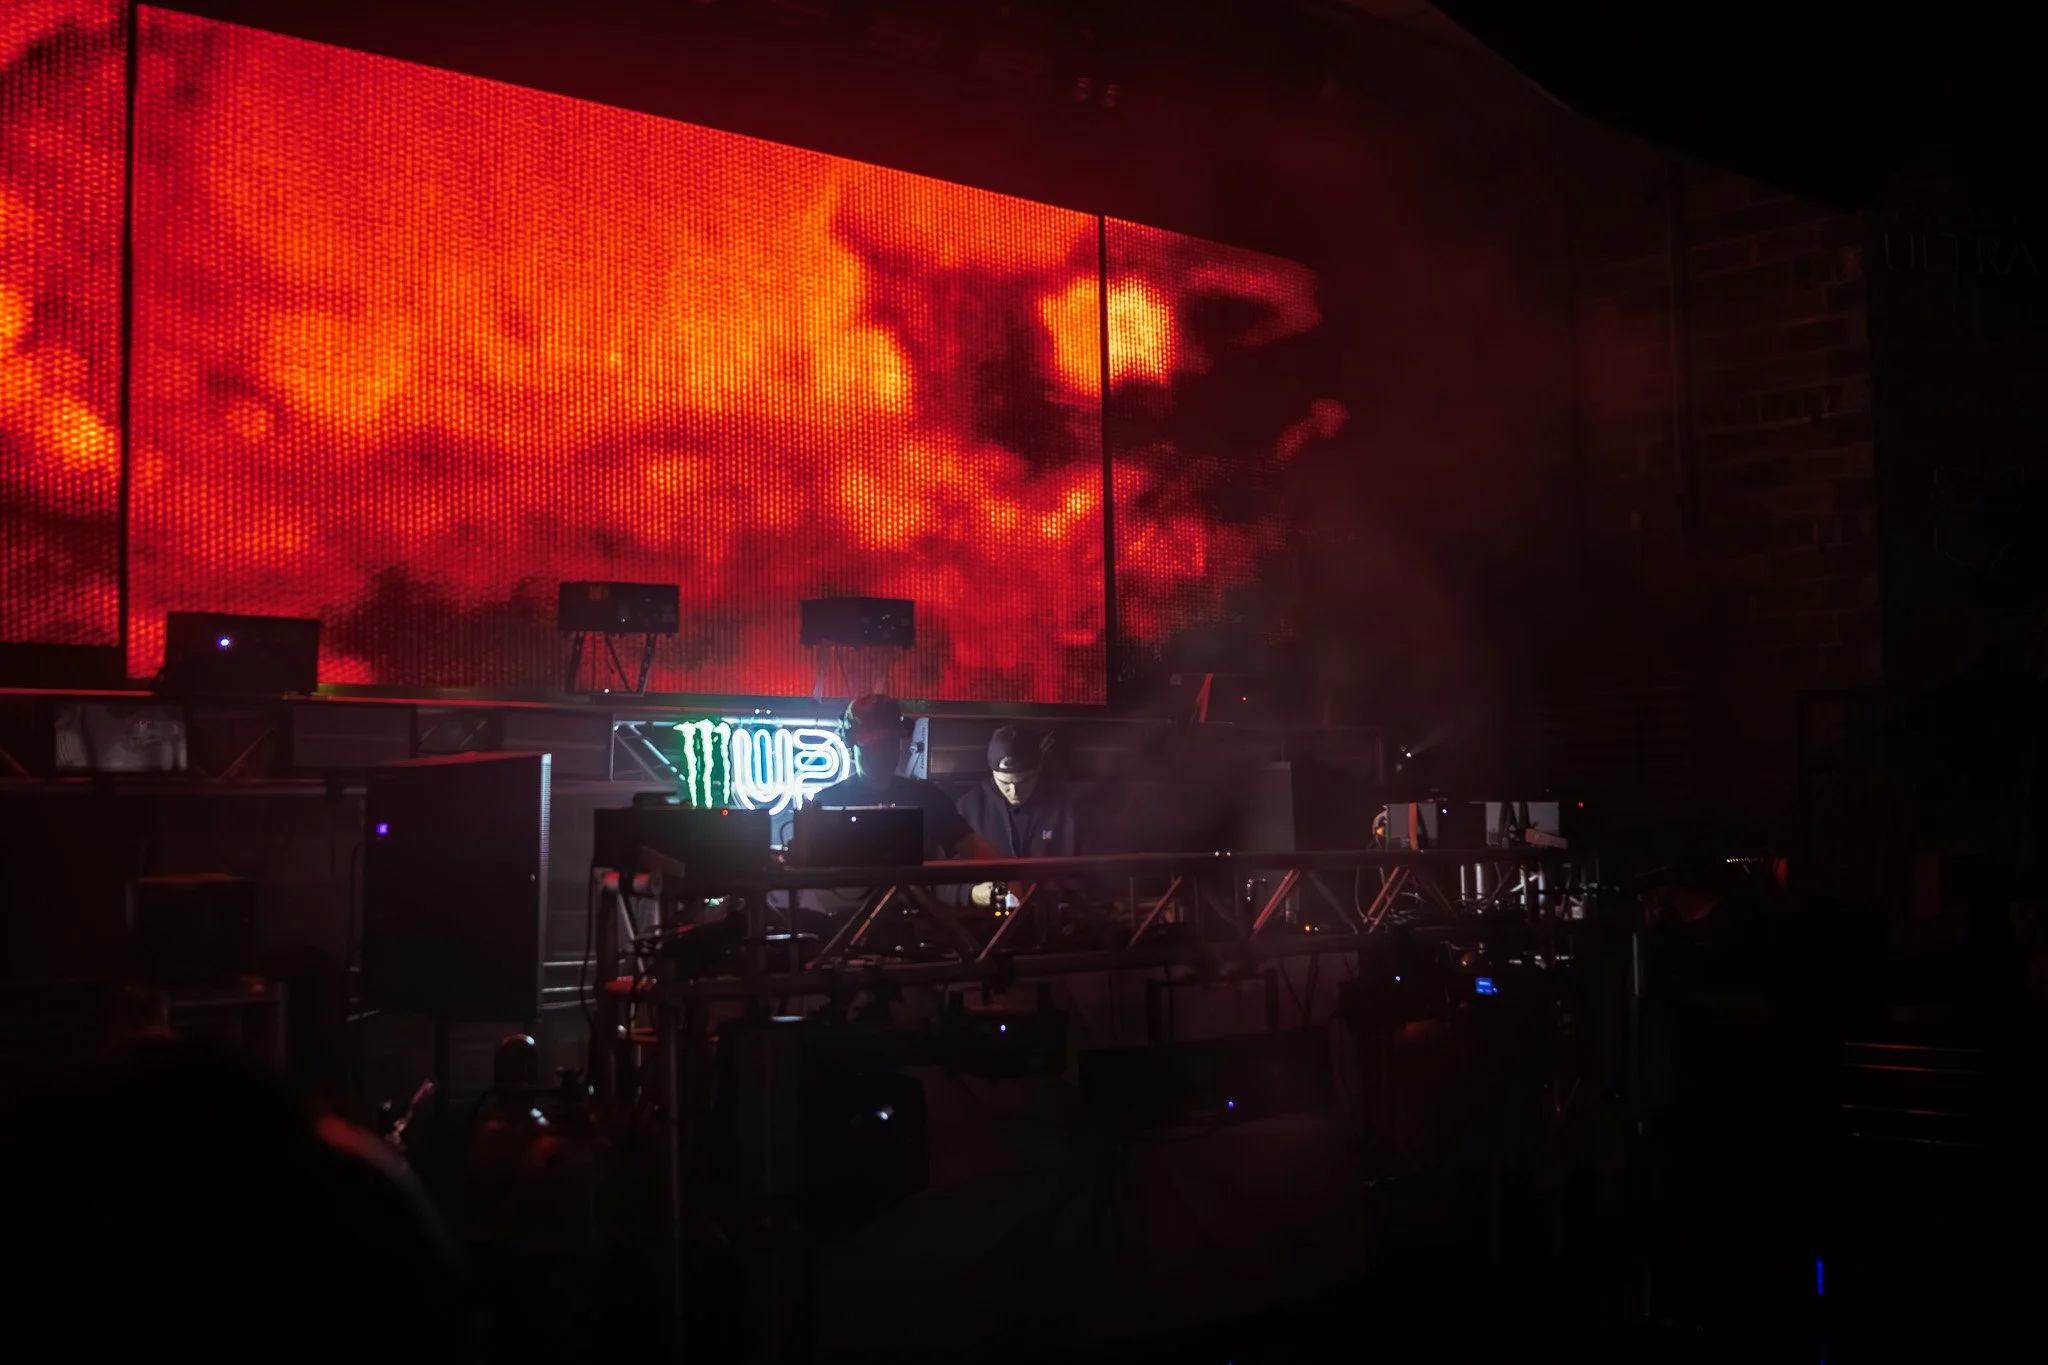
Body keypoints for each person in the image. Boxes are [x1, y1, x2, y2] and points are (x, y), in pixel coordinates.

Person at [804, 693, 997, 863]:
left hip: (916, 903)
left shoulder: (927, 797)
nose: (882, 754)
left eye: (889, 744)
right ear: (851, 748)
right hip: (850, 905)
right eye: (874, 747)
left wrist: (1011, 882)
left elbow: (972, 847)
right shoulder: (827, 803)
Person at [956, 723, 1081, 908]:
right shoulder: (968, 808)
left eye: (1024, 781)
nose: (1014, 791)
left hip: (1053, 917)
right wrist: (972, 893)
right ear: (992, 773)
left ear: (1038, 770)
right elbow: (942, 875)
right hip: (987, 925)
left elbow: (1084, 871)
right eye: (1004, 783)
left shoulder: (1064, 808)